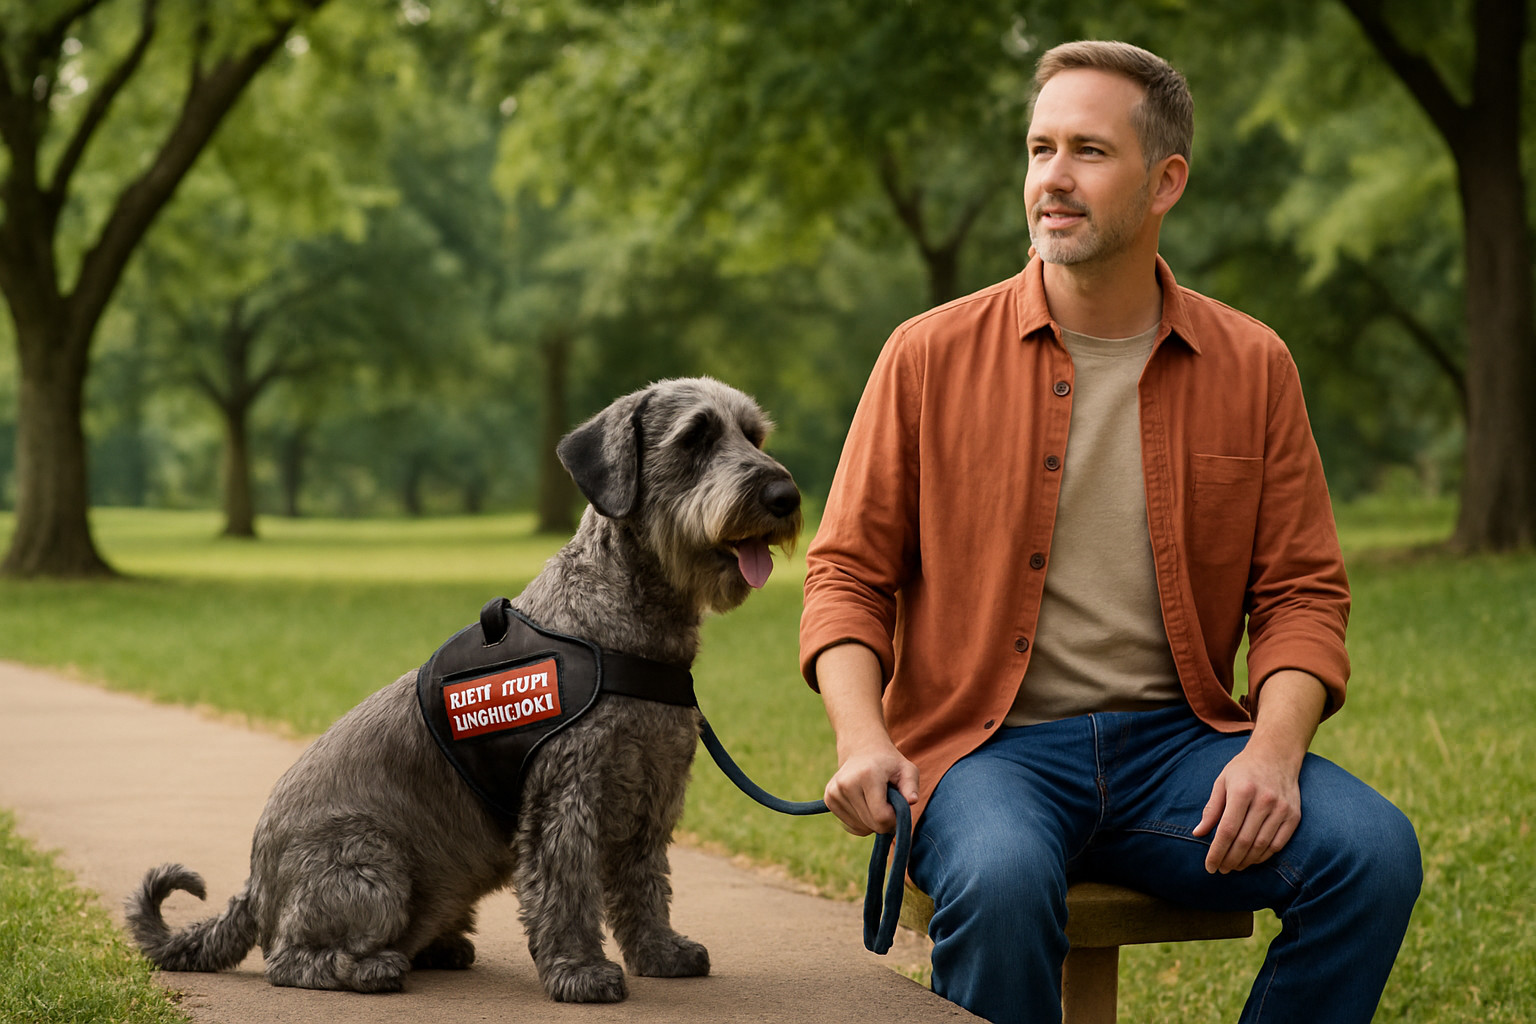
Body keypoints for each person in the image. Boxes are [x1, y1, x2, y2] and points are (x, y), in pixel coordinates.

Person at [799, 40, 1421, 1024]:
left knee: (1372, 854)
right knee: (1002, 879)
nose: (1053, 177)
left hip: (1181, 750)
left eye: (1088, 151)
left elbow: (1302, 594)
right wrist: (862, 737)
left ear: (1165, 180)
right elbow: (847, 575)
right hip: (985, 755)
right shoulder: (925, 356)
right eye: (1040, 148)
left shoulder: (1253, 364)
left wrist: (1272, 751)